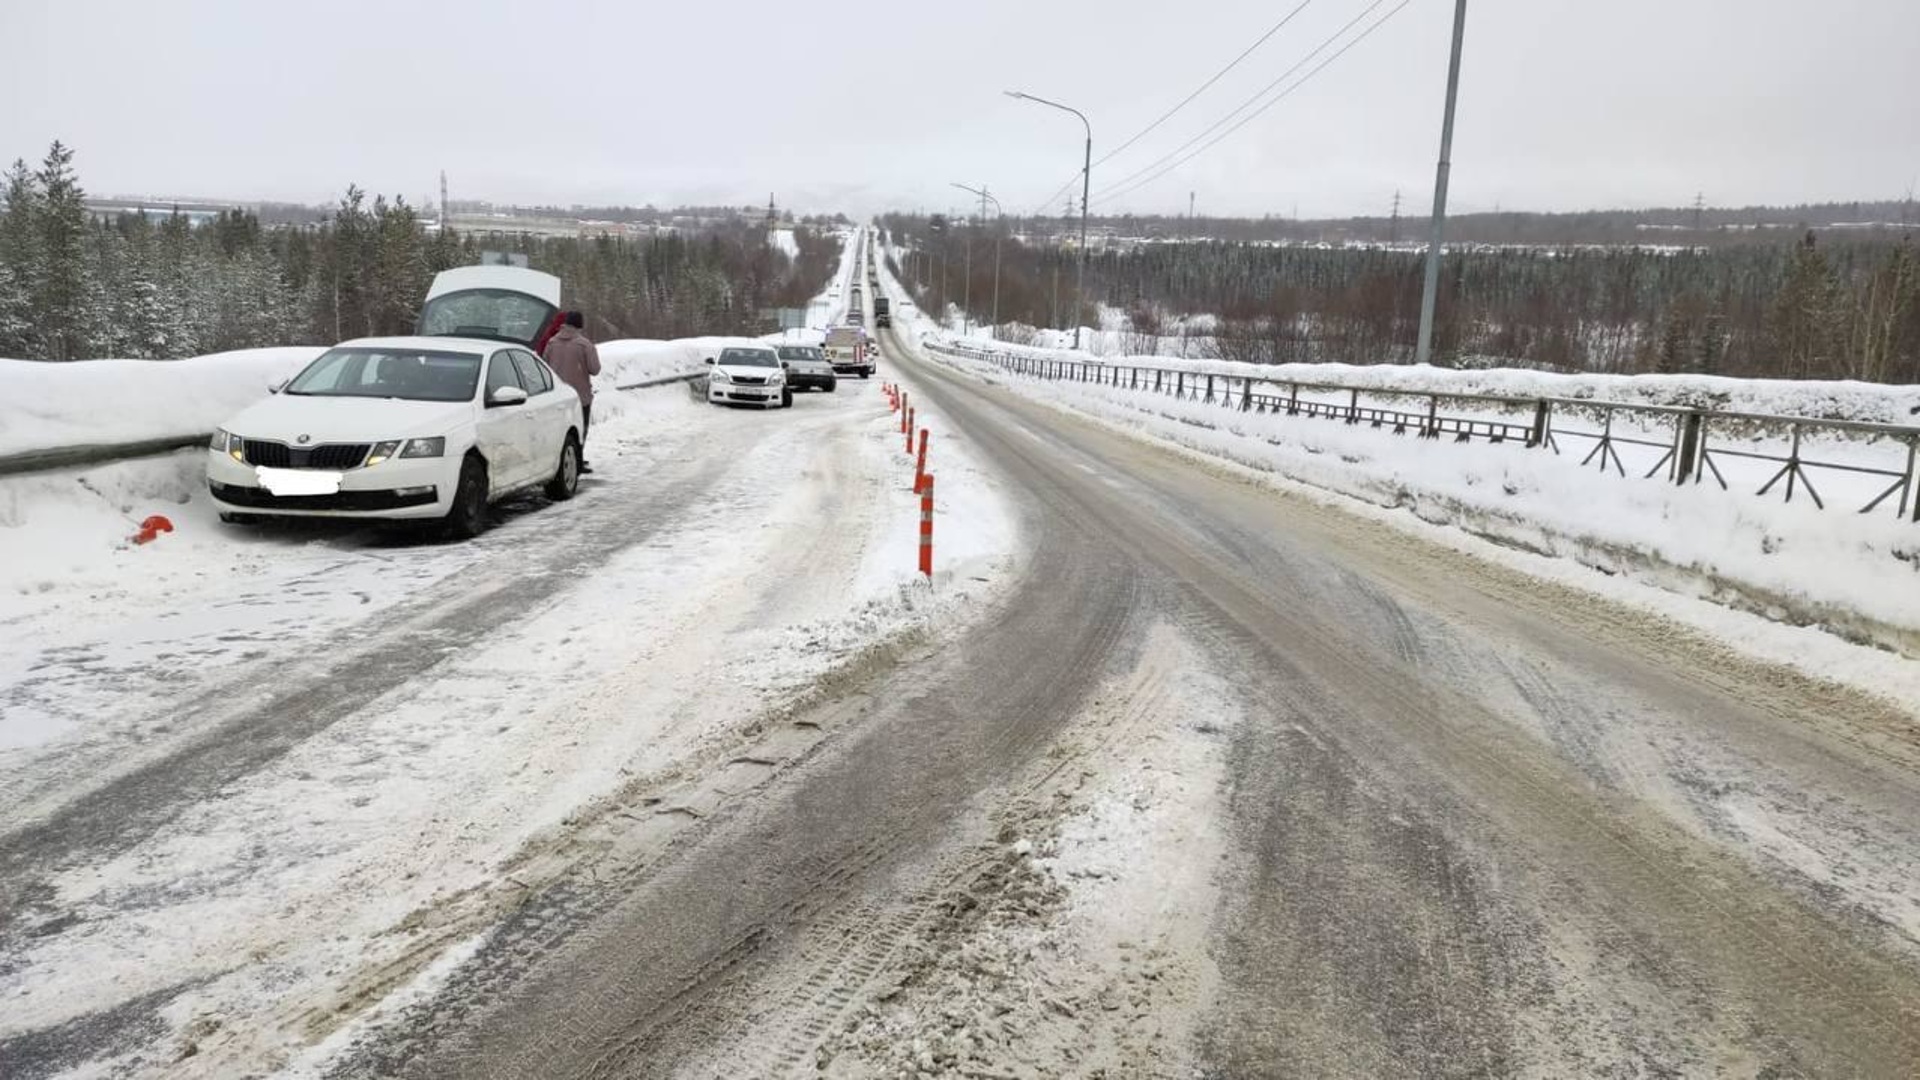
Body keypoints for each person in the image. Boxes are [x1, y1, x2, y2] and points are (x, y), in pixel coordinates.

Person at [543, 311, 602, 473]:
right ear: (580, 325)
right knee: (580, 430)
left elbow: (543, 366)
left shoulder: (551, 343)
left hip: (555, 396)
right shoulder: (585, 345)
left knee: (559, 431)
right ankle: (577, 461)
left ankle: (559, 462)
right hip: (580, 396)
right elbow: (595, 369)